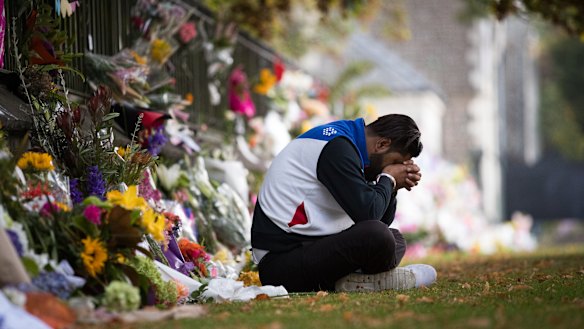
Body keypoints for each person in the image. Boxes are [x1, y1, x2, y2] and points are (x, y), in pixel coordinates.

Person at [251, 114, 437, 292]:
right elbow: (369, 215)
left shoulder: (354, 146)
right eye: (395, 161)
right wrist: (388, 178)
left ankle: (352, 281)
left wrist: (393, 186)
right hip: (281, 263)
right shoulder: (337, 148)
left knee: (394, 239)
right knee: (379, 237)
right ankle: (363, 279)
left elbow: (380, 220)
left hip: (309, 247)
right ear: (382, 144)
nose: (395, 168)